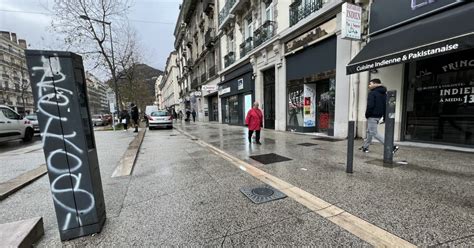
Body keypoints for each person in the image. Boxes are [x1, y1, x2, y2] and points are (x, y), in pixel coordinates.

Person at [360, 79, 399, 153]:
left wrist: (367, 115)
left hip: (372, 116)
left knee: (374, 133)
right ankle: (365, 147)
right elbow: (385, 106)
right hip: (379, 116)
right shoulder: (384, 93)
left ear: (375, 84)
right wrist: (384, 117)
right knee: (369, 131)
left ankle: (392, 146)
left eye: (370, 84)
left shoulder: (372, 93)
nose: (369, 85)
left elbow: (370, 106)